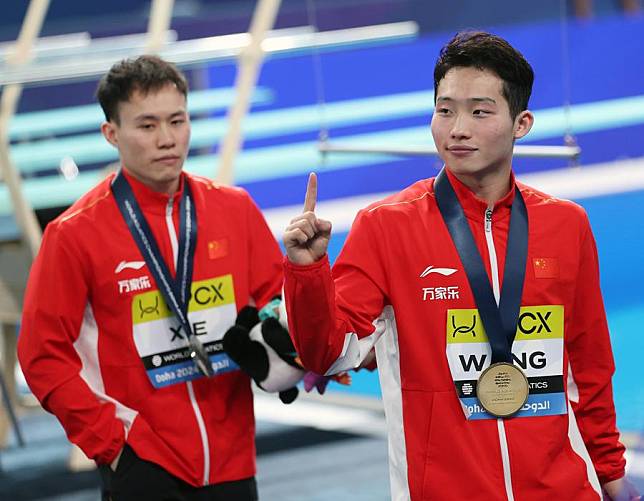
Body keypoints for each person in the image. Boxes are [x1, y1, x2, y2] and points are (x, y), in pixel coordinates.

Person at [282, 31, 640, 501]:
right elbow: (328, 354)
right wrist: (307, 274)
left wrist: (610, 472)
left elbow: (590, 368)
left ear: (522, 123)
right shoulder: (386, 228)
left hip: (564, 489)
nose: (457, 129)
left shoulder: (566, 225)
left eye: (480, 111)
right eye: (445, 109)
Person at [18, 55, 283, 500]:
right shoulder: (74, 233)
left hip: (232, 453)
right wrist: (110, 442)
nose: (167, 139)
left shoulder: (233, 210)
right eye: (147, 126)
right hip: (142, 459)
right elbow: (42, 353)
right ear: (112, 134)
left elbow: (278, 302)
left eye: (177, 121)